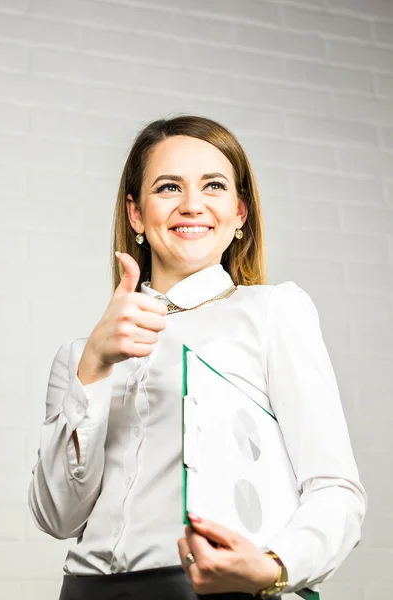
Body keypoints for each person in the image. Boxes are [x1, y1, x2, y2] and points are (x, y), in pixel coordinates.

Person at [28, 115, 367, 599]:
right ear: (136, 214)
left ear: (240, 213)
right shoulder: (81, 356)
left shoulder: (272, 312)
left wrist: (275, 567)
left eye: (213, 186)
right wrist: (95, 368)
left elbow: (336, 488)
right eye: (168, 187)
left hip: (212, 592)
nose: (192, 205)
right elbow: (57, 517)